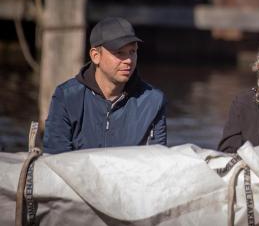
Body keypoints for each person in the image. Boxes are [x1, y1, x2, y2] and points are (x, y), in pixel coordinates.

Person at [43, 17, 167, 154]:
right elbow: (55, 160)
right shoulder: (66, 97)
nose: (129, 61)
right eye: (119, 53)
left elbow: (157, 162)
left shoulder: (153, 101)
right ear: (96, 56)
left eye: (132, 52)